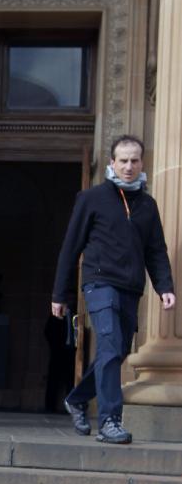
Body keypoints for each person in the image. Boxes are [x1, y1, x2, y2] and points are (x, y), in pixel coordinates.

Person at [51, 135, 175, 444]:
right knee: (109, 343)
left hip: (131, 288)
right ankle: (109, 421)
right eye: (123, 161)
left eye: (134, 161)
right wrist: (59, 294)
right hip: (99, 283)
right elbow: (70, 247)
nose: (129, 166)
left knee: (117, 350)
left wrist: (165, 287)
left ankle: (78, 399)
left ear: (141, 163)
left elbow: (156, 251)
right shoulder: (92, 198)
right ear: (112, 163)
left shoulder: (148, 205)